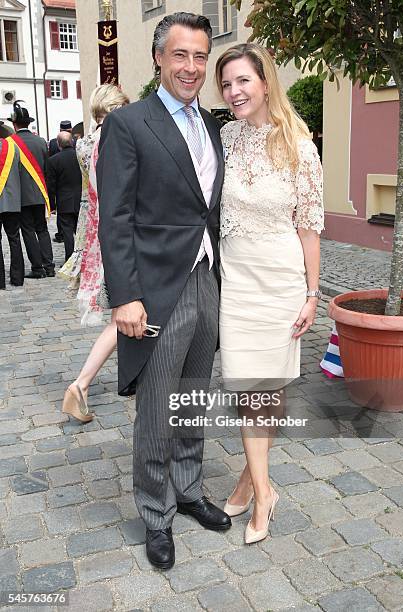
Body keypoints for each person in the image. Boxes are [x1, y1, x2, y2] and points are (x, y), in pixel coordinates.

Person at [97, 12, 230, 570]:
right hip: (155, 288)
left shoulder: (212, 124)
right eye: (181, 56)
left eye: (201, 57)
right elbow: (116, 218)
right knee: (157, 404)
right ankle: (155, 513)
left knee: (194, 393)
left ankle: (189, 488)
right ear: (159, 58)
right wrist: (125, 297)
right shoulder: (130, 124)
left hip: (206, 278)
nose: (192, 67)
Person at [215, 44, 324, 544]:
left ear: (264, 83)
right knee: (246, 390)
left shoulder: (300, 145)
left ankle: (251, 485)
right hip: (237, 285)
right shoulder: (224, 139)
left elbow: (309, 228)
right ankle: (264, 492)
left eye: (242, 81)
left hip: (281, 283)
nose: (234, 92)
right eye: (227, 84)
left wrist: (312, 293)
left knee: (270, 392)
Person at [61, 84, 129, 424]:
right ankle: (81, 385)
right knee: (122, 317)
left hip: (99, 232)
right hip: (120, 235)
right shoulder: (112, 141)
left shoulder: (85, 143)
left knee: (128, 316)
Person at [8, 101, 55, 279]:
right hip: (40, 193)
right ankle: (49, 266)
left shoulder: (10, 143)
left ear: (15, 124)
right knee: (42, 229)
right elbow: (47, 169)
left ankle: (37, 268)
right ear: (28, 122)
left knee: (27, 230)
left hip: (21, 195)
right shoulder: (41, 142)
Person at [46, 132, 82, 262]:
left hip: (64, 201)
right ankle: (82, 258)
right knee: (81, 232)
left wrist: (52, 206)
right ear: (72, 142)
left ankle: (70, 259)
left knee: (67, 233)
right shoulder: (80, 156)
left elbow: (51, 186)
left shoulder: (53, 161)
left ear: (58, 144)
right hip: (81, 200)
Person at [0, 134, 24, 289]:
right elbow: (20, 171)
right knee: (14, 239)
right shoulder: (13, 147)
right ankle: (17, 278)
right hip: (13, 200)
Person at [49, 120, 73, 244]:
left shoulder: (53, 149)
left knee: (66, 230)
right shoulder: (78, 152)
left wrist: (52, 205)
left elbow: (51, 183)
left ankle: (69, 257)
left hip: (62, 195)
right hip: (78, 196)